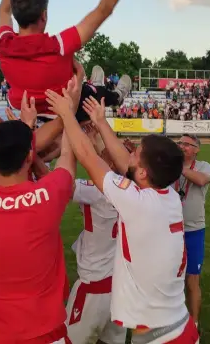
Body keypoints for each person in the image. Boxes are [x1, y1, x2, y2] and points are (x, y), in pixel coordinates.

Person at [46, 90, 199, 343]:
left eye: (136, 152)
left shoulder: (137, 202)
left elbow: (88, 157)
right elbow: (123, 162)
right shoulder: (167, 193)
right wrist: (101, 122)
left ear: (142, 173)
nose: (129, 152)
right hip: (177, 328)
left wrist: (67, 114)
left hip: (160, 337)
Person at [0, 0, 146, 115]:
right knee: (90, 94)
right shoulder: (59, 46)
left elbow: (3, 11)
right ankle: (115, 96)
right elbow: (104, 10)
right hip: (65, 110)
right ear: (44, 15)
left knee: (85, 90)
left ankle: (96, 87)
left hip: (26, 110)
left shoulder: (3, 44)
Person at [0, 120, 76, 343]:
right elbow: (66, 160)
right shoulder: (48, 195)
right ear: (29, 157)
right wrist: (67, 113)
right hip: (43, 333)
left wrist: (25, 126)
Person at [0, 92, 63, 306]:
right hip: (13, 262)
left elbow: (42, 152)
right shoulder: (7, 150)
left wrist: (26, 128)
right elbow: (56, 129)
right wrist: (67, 110)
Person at [65, 130, 132, 344]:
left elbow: (58, 182)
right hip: (119, 286)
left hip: (94, 287)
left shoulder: (96, 190)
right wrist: (95, 138)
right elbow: (104, 159)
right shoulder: (134, 189)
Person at [174, 135, 210, 327]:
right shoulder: (169, 166)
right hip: (170, 230)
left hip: (194, 230)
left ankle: (194, 323)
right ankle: (171, 320)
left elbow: (200, 180)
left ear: (196, 149)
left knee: (192, 280)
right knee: (169, 278)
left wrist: (176, 167)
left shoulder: (204, 166)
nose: (181, 147)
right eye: (179, 143)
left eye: (186, 144)